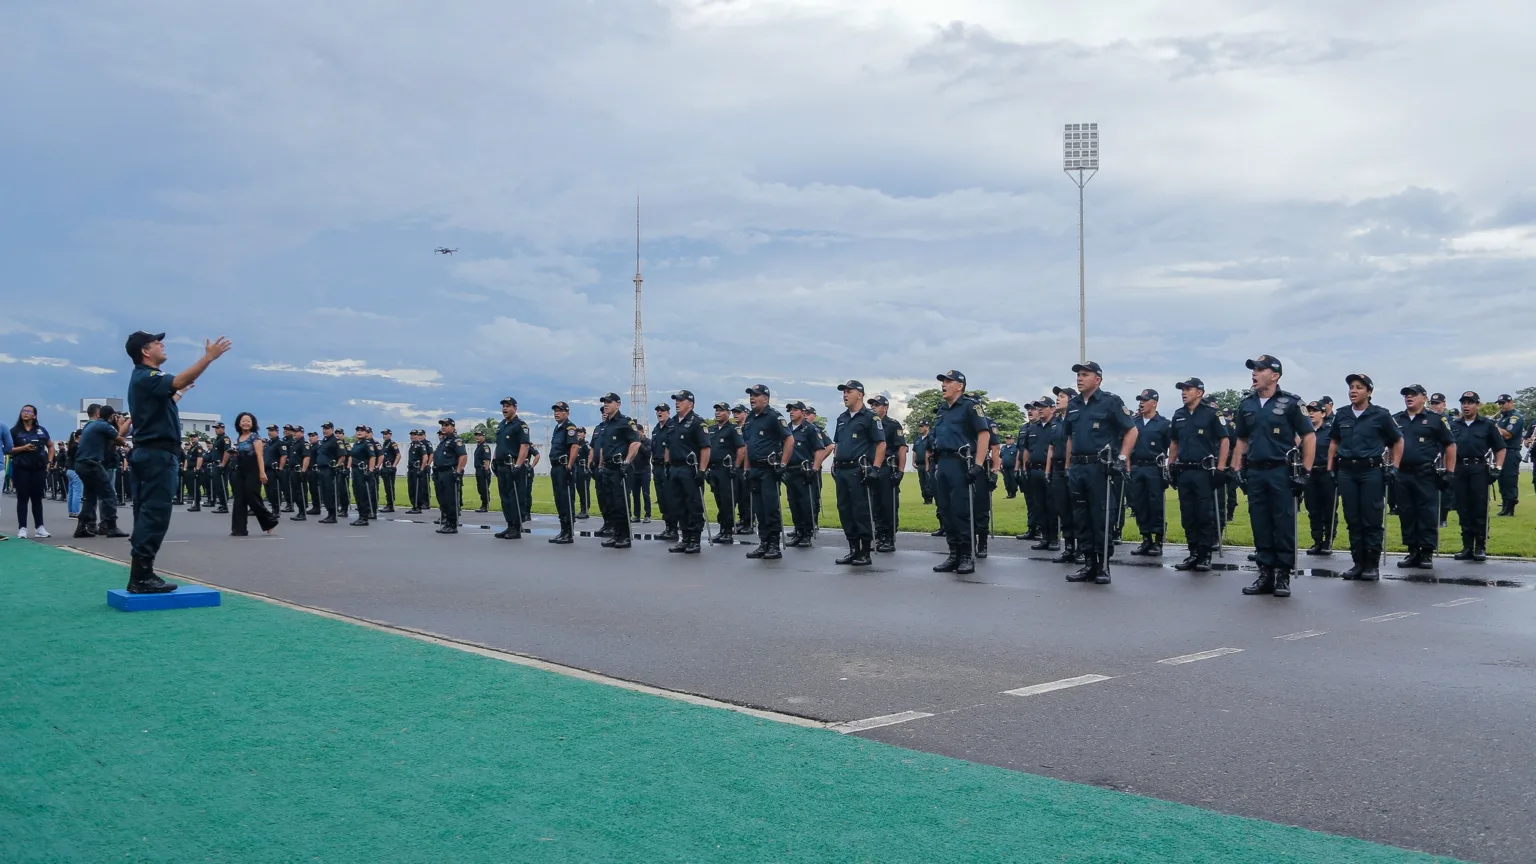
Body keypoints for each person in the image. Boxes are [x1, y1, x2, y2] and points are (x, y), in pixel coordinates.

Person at [124, 331, 230, 593]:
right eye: (156, 343)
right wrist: (209, 358)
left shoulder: (145, 380)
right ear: (145, 352)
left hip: (150, 453)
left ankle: (141, 573)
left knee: (147, 512)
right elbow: (181, 378)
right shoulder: (148, 376)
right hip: (157, 455)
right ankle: (142, 577)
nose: (162, 345)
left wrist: (180, 390)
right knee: (155, 513)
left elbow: (170, 395)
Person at [1232, 355, 1315, 598]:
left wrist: (1306, 472)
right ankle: (1265, 572)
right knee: (1260, 522)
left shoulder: (1291, 403)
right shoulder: (1246, 404)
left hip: (1281, 469)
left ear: (1275, 375)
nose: (1254, 373)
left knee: (1283, 522)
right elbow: (1242, 439)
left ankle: (1282, 575)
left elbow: (1308, 436)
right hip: (1256, 470)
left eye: (1259, 369)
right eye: (1253, 370)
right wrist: (1237, 468)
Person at [1062, 362, 1138, 584]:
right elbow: (1070, 438)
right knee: (1081, 517)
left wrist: (1122, 458)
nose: (1079, 378)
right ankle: (1088, 564)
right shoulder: (1073, 405)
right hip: (1078, 466)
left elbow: (1131, 431)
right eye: (1078, 375)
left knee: (1101, 516)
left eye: (1085, 375)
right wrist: (1068, 466)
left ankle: (1103, 565)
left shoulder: (1110, 402)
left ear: (1098, 379)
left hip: (1100, 467)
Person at [1327, 374, 1403, 581]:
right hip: (1346, 471)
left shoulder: (1380, 415)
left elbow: (1398, 440)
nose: (1353, 391)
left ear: (1369, 392)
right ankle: (1357, 563)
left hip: (1371, 470)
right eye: (1351, 387)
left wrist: (1394, 467)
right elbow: (1334, 441)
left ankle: (1371, 565)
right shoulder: (1342, 414)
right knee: (1352, 518)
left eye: (1359, 387)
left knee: (1371, 518)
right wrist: (1330, 467)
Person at [1392, 385, 1456, 570]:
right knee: (1406, 512)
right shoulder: (1396, 420)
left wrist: (1449, 472)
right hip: (1402, 472)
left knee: (1427, 512)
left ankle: (1427, 551)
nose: (1409, 397)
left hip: (1425, 472)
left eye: (1413, 394)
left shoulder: (1435, 420)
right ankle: (1412, 551)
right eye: (1406, 395)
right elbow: (1389, 445)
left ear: (1424, 398)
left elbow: (1450, 445)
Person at [1168, 378, 1228, 572]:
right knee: (1188, 514)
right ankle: (1193, 553)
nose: (1184, 392)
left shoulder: (1211, 414)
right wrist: (1170, 465)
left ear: (1199, 392)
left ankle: (1205, 554)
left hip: (1203, 470)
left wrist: (1220, 468)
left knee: (1204, 514)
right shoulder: (1178, 415)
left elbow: (1225, 439)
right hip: (1184, 470)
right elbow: (1174, 443)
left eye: (1188, 389)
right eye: (1182, 389)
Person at [831, 380, 885, 566]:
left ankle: (865, 551)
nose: (845, 395)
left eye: (848, 391)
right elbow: (837, 443)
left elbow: (881, 444)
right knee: (844, 510)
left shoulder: (870, 417)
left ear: (859, 394)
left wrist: (876, 468)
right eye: (844, 392)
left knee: (860, 510)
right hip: (842, 469)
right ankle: (853, 548)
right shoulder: (841, 418)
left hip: (858, 470)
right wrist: (834, 462)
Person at [1450, 392, 1504, 562]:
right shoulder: (1454, 425)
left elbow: (1500, 448)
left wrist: (1498, 467)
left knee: (1479, 508)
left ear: (1477, 405)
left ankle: (1480, 546)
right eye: (1464, 403)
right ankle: (1467, 546)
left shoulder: (1487, 424)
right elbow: (1447, 448)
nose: (1466, 406)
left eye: (1470, 403)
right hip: (1459, 468)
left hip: (1478, 467)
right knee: (1463, 507)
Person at [742, 384, 794, 559]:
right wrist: (746, 468)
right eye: (750, 395)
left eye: (756, 395)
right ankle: (763, 542)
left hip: (769, 468)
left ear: (766, 398)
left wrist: (783, 464)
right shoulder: (749, 419)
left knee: (770, 507)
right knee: (759, 508)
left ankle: (774, 545)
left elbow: (789, 439)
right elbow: (748, 445)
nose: (752, 398)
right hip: (755, 468)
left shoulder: (773, 417)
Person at [591, 393, 642, 548]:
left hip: (620, 468)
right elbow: (603, 448)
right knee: (610, 502)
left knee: (621, 503)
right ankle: (616, 533)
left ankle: (625, 536)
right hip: (607, 467)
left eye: (608, 402)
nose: (606, 404)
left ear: (618, 404)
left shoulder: (625, 422)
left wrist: (627, 461)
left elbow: (635, 443)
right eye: (604, 402)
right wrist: (600, 465)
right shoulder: (606, 424)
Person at [74, 405, 131, 539]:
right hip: (92, 464)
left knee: (90, 495)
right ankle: (111, 527)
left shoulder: (91, 425)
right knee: (109, 494)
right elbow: (121, 440)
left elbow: (110, 443)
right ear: (111, 416)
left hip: (81, 464)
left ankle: (81, 527)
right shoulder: (103, 426)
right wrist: (123, 423)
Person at [665, 390, 711, 554]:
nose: (677, 403)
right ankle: (684, 537)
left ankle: (694, 539)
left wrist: (702, 471)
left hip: (690, 468)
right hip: (675, 467)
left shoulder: (697, 422)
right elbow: (668, 446)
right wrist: (667, 465)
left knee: (693, 504)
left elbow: (705, 448)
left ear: (690, 404)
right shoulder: (673, 423)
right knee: (679, 504)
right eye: (676, 400)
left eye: (681, 400)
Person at [1125, 389, 1170, 556]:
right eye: (1140, 400)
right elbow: (1128, 446)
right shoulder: (1134, 422)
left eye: (1145, 400)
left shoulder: (1163, 424)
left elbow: (1170, 447)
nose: (1141, 403)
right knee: (1139, 504)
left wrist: (1167, 468)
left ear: (1154, 402)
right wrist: (1128, 467)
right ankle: (1146, 539)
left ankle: (1158, 540)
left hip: (1154, 467)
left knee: (1155, 505)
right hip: (1136, 467)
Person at [784, 401, 830, 548]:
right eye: (790, 410)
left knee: (806, 503)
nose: (791, 412)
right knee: (794, 503)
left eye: (795, 409)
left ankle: (807, 534)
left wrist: (815, 469)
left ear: (803, 413)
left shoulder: (810, 429)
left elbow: (819, 449)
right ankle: (798, 531)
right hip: (790, 470)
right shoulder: (787, 429)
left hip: (805, 471)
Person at [228, 412, 279, 536]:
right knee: (239, 498)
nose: (245, 423)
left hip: (253, 469)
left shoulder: (255, 437)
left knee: (252, 495)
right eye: (243, 421)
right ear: (239, 423)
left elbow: (259, 456)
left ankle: (269, 521)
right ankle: (239, 529)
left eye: (248, 421)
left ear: (253, 424)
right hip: (241, 469)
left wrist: (262, 473)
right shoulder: (239, 438)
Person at [869, 394, 906, 553]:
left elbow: (902, 448)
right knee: (874, 504)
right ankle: (878, 535)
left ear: (885, 408)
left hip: (887, 468)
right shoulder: (869, 424)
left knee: (887, 504)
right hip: (872, 468)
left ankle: (889, 537)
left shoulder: (892, 425)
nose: (873, 408)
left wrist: (900, 471)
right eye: (872, 405)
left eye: (876, 405)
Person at [10, 404, 52, 539]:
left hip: (38, 468)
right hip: (21, 468)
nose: (25, 413)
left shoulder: (41, 430)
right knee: (22, 498)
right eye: (23, 411)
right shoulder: (15, 431)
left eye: (29, 411)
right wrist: (23, 448)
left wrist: (49, 462)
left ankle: (40, 527)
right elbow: (8, 449)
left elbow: (50, 446)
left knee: (37, 498)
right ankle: (22, 528)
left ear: (34, 415)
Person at [705, 402, 743, 544]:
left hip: (727, 469)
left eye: (721, 410)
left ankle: (727, 531)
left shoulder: (733, 429)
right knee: (719, 501)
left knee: (728, 501)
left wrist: (736, 466)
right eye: (716, 410)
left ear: (728, 413)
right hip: (714, 469)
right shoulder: (712, 430)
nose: (717, 413)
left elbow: (741, 448)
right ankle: (722, 529)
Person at [493, 398, 531, 539]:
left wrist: (518, 465)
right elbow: (499, 445)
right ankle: (509, 525)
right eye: (503, 406)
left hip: (513, 465)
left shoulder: (520, 425)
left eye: (508, 406)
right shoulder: (502, 425)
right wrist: (494, 460)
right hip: (502, 465)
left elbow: (524, 446)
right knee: (505, 498)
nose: (504, 409)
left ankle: (516, 527)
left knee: (515, 497)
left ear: (515, 408)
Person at [548, 402, 579, 544]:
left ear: (567, 412)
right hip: (555, 467)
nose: (556, 413)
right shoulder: (558, 428)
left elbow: (574, 447)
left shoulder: (570, 427)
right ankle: (563, 530)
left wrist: (569, 467)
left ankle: (568, 533)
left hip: (563, 467)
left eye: (560, 411)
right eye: (555, 411)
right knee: (559, 499)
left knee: (566, 499)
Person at [432, 418, 467, 534]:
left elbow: (463, 456)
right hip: (439, 473)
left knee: (450, 499)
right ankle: (446, 520)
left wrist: (458, 471)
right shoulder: (443, 441)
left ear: (453, 427)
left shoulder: (456, 440)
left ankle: (452, 524)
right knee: (442, 499)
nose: (443, 427)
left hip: (449, 472)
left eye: (446, 425)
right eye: (442, 425)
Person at [1493, 394, 1524, 516]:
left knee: (1509, 480)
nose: (1501, 406)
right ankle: (1505, 504)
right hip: (1501, 452)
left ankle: (1510, 507)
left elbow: (1507, 435)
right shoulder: (1503, 418)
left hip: (1511, 452)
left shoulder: (1515, 417)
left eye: (1504, 403)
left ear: (1511, 402)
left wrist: (1494, 426)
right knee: (1502, 480)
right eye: (1500, 403)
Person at [650, 405, 676, 541]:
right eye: (657, 410)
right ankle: (667, 526)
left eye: (662, 410)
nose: (659, 412)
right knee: (661, 498)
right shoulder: (656, 429)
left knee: (669, 497)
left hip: (668, 466)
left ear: (668, 412)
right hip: (657, 466)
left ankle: (673, 528)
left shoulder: (672, 426)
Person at [348, 426, 376, 527]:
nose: (359, 432)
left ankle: (364, 517)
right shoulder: (356, 443)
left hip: (362, 471)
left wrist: (370, 470)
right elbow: (352, 456)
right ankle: (360, 516)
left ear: (365, 433)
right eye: (358, 431)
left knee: (362, 494)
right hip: (355, 470)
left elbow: (372, 457)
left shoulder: (367, 444)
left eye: (362, 431)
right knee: (357, 493)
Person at [472, 430, 493, 513]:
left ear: (483, 437)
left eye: (479, 435)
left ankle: (485, 505)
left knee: (484, 488)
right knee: (480, 488)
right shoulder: (479, 446)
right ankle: (483, 504)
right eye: (476, 435)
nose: (477, 437)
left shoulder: (485, 446)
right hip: (478, 470)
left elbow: (487, 459)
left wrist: (486, 469)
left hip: (483, 470)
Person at [378, 429, 399, 513]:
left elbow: (398, 455)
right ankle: (388, 504)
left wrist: (393, 466)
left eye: (386, 434)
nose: (384, 436)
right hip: (384, 468)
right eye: (383, 434)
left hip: (389, 468)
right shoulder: (385, 444)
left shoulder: (392, 444)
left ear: (390, 435)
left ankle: (390, 505)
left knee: (389, 487)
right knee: (387, 487)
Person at [574, 427, 592, 519]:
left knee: (584, 490)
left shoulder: (586, 444)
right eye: (577, 432)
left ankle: (585, 510)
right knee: (579, 490)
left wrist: (588, 467)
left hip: (584, 468)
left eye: (580, 432)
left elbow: (590, 455)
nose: (578, 434)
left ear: (584, 434)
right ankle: (582, 509)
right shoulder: (575, 444)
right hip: (577, 468)